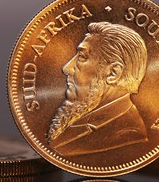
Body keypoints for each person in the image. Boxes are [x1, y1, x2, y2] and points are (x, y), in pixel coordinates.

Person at [47, 22, 148, 156]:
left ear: (113, 73)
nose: (67, 68)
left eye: (82, 57)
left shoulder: (127, 134)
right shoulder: (85, 116)